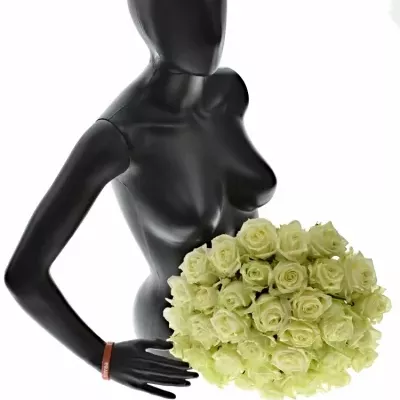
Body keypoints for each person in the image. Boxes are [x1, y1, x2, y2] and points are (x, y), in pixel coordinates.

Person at [4, 0, 277, 398]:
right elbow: (24, 274)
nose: (206, 25)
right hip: (174, 343)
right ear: (144, 14)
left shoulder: (228, 92)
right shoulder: (118, 136)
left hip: (267, 326)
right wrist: (103, 357)